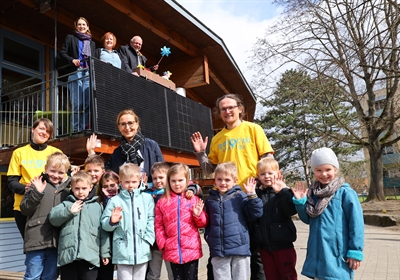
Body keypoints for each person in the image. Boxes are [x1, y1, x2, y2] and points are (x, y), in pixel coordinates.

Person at [191, 93, 274, 280]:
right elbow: (209, 169)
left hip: (252, 195)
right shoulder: (219, 138)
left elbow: (267, 157)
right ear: (219, 112)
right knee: (221, 251)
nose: (227, 111)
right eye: (223, 109)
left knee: (254, 251)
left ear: (240, 109)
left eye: (231, 107)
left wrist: (267, 181)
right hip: (226, 200)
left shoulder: (253, 129)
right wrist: (200, 153)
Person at [292, 147, 364, 280]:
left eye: (328, 169)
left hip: (337, 255)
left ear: (335, 170)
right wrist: (301, 203)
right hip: (318, 254)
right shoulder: (313, 193)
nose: (323, 174)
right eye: (319, 170)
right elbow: (308, 219)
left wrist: (355, 251)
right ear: (314, 171)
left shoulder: (345, 193)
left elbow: (357, 223)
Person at [205, 162, 263, 280]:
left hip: (239, 249)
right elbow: (208, 221)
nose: (223, 183)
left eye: (227, 180)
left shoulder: (240, 196)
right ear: (214, 180)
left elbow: (256, 213)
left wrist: (252, 195)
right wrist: (208, 236)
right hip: (219, 250)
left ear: (235, 181)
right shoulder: (210, 199)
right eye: (219, 179)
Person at [48, 171, 110, 280]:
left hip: (89, 256)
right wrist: (69, 211)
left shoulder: (97, 206)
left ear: (90, 188)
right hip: (68, 257)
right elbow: (53, 219)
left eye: (84, 188)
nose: (80, 192)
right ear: (71, 187)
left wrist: (105, 253)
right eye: (77, 188)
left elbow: (103, 231)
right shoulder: (66, 204)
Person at [20, 152, 72, 280]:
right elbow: (25, 209)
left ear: (65, 173)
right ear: (45, 169)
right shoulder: (37, 184)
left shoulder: (66, 191)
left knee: (50, 277)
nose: (56, 175)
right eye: (52, 171)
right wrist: (37, 192)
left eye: (61, 173)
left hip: (56, 243)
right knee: (32, 276)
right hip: (36, 240)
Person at [7, 118, 61, 239]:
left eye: (48, 131)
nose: (44, 132)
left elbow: (63, 179)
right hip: (23, 206)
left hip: (48, 204)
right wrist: (26, 188)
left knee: (49, 244)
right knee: (30, 244)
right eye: (41, 128)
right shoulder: (19, 152)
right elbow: (11, 182)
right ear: (33, 129)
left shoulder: (56, 153)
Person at [101, 163, 155, 280]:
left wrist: (148, 239)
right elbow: (104, 223)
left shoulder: (146, 199)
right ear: (120, 182)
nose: (130, 185)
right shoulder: (115, 201)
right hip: (122, 251)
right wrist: (112, 221)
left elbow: (151, 219)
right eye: (127, 182)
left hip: (142, 249)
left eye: (134, 182)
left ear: (139, 180)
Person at [155, 163, 208, 280]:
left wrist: (197, 215)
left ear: (187, 180)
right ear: (168, 181)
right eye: (173, 181)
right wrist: (162, 243)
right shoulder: (163, 201)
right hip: (172, 248)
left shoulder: (194, 199)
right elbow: (158, 225)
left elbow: (203, 223)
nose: (177, 184)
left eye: (180, 180)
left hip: (191, 249)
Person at [86, 109, 164, 183]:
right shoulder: (117, 152)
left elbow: (162, 170)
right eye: (123, 124)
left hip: (150, 192)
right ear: (119, 127)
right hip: (124, 193)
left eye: (130, 123)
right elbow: (106, 173)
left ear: (137, 124)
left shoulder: (151, 145)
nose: (127, 127)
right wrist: (91, 153)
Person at [254, 158, 298, 280]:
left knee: (288, 276)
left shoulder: (285, 192)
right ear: (258, 176)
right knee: (271, 276)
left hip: (283, 246)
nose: (267, 176)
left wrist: (281, 193)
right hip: (265, 247)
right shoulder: (257, 194)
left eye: (270, 173)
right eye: (263, 174)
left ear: (278, 174)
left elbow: (290, 211)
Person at [60, 16, 96, 132]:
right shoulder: (70, 38)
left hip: (87, 73)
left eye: (84, 24)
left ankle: (83, 129)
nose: (81, 26)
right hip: (75, 72)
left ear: (87, 27)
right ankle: (76, 129)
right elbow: (62, 53)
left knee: (86, 105)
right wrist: (72, 60)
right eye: (79, 24)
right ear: (76, 26)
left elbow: (93, 58)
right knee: (77, 104)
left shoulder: (92, 43)